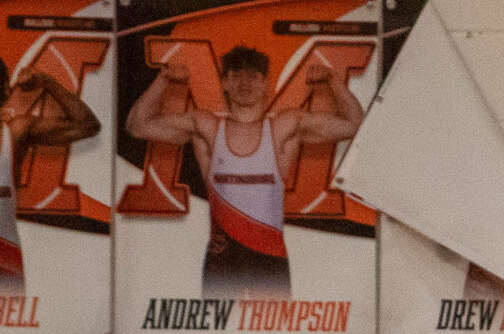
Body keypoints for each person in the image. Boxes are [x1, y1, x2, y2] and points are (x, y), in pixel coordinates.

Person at [123, 45, 363, 298]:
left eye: (253, 76)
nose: (245, 83)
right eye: (236, 75)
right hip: (223, 259)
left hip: (269, 258)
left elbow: (356, 125)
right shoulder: (207, 127)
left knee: (270, 326)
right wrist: (163, 79)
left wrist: (331, 80)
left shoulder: (283, 128)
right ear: (225, 83)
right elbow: (137, 126)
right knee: (218, 324)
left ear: (265, 84)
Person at [1, 71, 102, 293]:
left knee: (9, 312)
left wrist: (48, 82)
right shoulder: (16, 131)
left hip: (4, 251)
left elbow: (87, 124)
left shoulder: (16, 131)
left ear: (7, 92)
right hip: (6, 249)